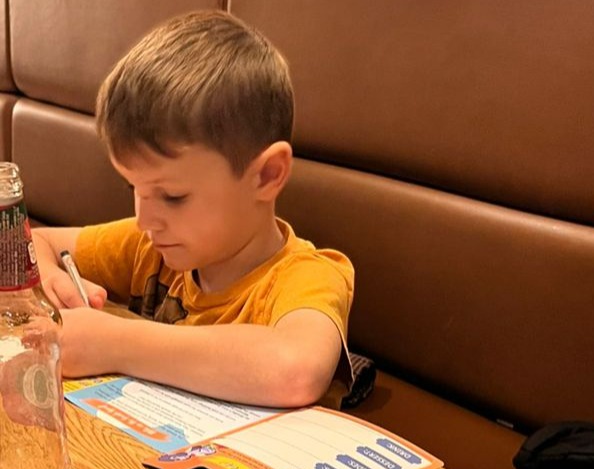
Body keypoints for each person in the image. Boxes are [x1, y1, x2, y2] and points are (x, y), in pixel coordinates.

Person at [32, 10, 354, 409]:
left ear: (268, 175)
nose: (146, 219)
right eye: (134, 187)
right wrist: (48, 279)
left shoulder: (309, 275)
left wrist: (112, 342)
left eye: (172, 196)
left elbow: (295, 370)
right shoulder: (149, 246)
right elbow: (35, 240)